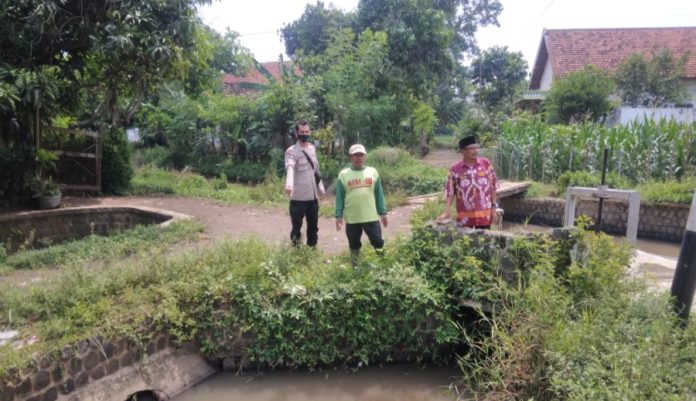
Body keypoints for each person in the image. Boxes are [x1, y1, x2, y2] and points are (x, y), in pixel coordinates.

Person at [335, 144, 388, 265]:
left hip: (371, 217)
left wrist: (383, 213)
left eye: (361, 155)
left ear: (365, 156)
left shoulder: (373, 172)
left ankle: (384, 265)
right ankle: (355, 268)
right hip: (352, 219)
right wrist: (338, 215)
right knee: (354, 244)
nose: (358, 158)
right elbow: (339, 197)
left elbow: (379, 194)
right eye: (355, 155)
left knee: (378, 242)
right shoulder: (343, 175)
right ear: (350, 157)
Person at [437, 135, 498, 229]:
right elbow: (450, 191)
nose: (475, 150)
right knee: (466, 242)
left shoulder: (486, 164)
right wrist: (447, 210)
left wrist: (494, 208)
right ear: (462, 151)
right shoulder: (455, 169)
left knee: (484, 242)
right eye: (471, 148)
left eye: (476, 148)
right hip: (465, 219)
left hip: (484, 217)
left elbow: (493, 186)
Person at [285, 120, 325, 246]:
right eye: (302, 132)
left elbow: (315, 170)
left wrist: (321, 188)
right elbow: (290, 167)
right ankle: (297, 252)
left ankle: (312, 250)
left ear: (310, 132)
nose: (305, 134)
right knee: (296, 228)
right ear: (297, 133)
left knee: (313, 227)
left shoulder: (312, 148)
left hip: (312, 198)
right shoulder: (291, 151)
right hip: (298, 198)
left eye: (307, 132)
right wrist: (289, 184)